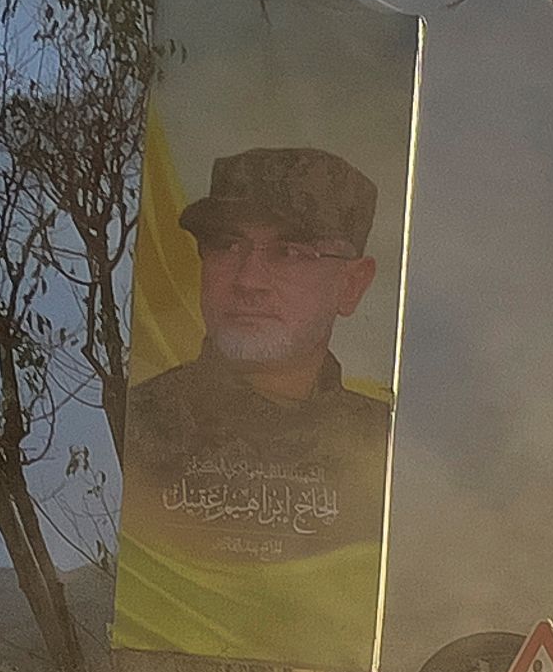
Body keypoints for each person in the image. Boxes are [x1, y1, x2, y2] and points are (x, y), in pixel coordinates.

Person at [126, 146, 397, 571]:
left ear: (352, 285)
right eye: (227, 245)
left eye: (290, 251)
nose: (248, 280)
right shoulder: (128, 429)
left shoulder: (392, 457)